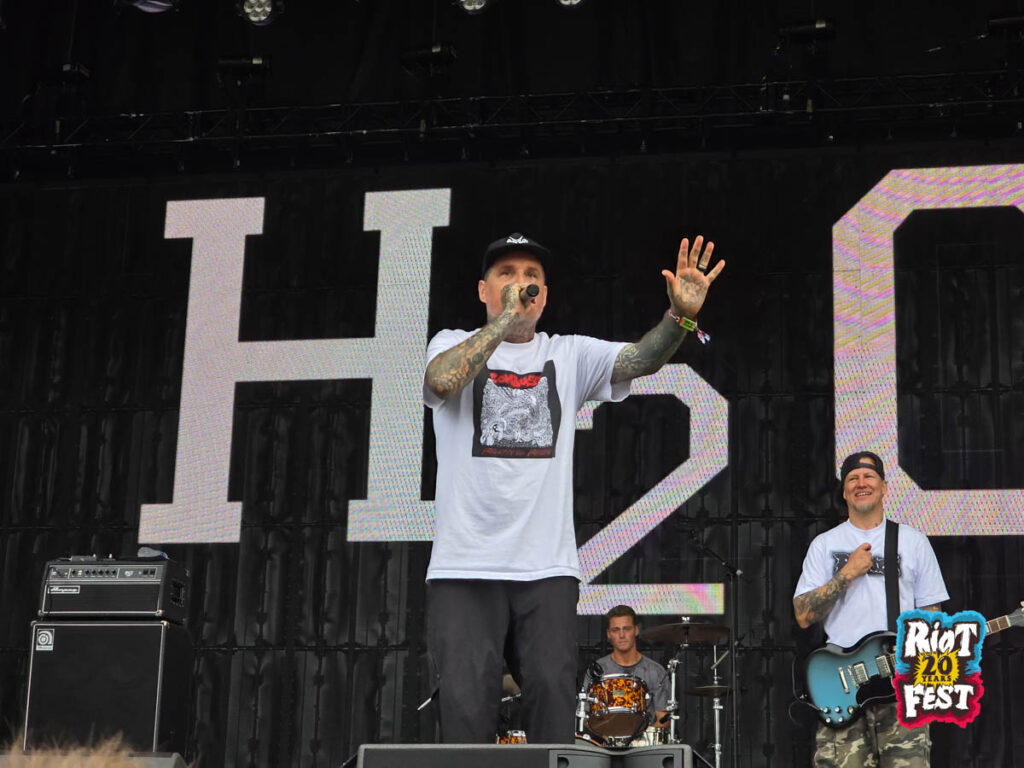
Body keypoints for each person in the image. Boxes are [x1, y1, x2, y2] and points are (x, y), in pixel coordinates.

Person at [423, 231, 725, 743]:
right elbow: (441, 381)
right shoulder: (450, 341)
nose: (521, 283)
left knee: (552, 695)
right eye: (507, 274)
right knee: (465, 705)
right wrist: (503, 322)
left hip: (546, 566)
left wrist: (680, 317)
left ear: (545, 295)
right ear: (482, 290)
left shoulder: (568, 354)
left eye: (532, 277)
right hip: (464, 563)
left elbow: (641, 359)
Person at [793, 451, 949, 767]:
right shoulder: (824, 544)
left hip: (902, 688)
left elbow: (932, 616)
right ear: (844, 491)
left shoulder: (913, 542)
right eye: (853, 478)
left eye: (869, 476)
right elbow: (803, 615)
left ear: (884, 487)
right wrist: (847, 573)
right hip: (842, 685)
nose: (861, 483)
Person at [582, 605, 670, 729]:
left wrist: (643, 738)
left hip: (644, 740)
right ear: (608, 634)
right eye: (616, 630)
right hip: (604, 739)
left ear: (636, 630)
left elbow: (664, 719)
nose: (622, 635)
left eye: (627, 629)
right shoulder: (596, 670)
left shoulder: (656, 671)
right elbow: (585, 717)